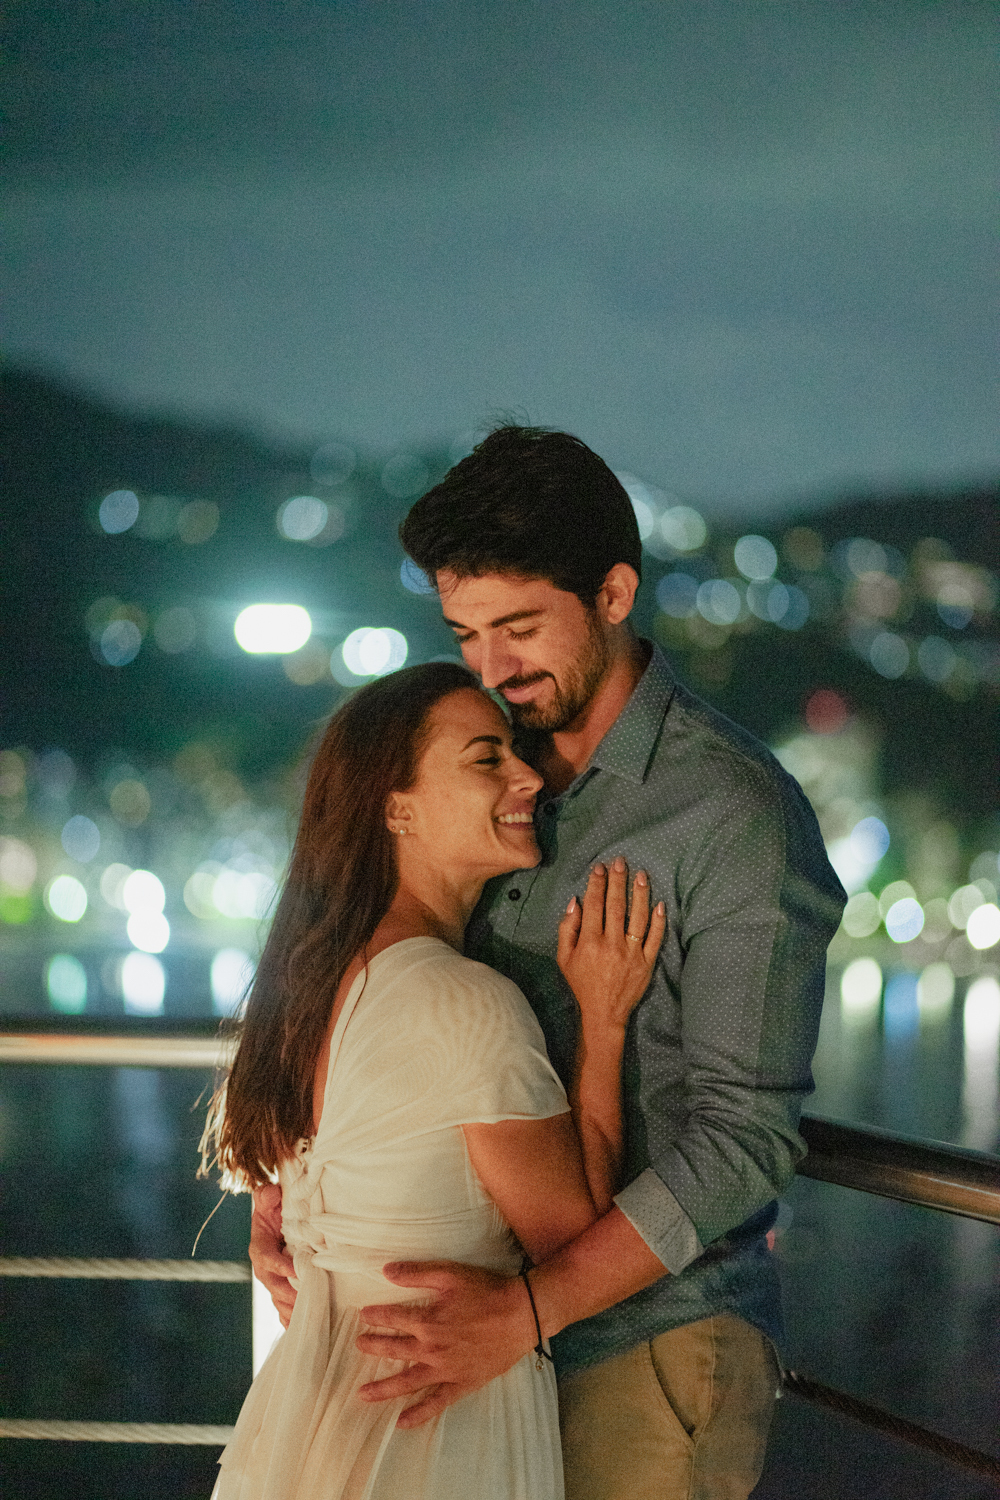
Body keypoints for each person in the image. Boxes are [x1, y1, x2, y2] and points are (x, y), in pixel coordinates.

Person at [252, 427, 848, 1499]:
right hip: (473, 1353)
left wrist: (528, 1310)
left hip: (648, 1349)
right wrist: (292, 1185)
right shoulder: (485, 771)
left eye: (519, 628)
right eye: (467, 633)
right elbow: (372, 973)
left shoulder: (732, 815)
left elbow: (745, 1137)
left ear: (614, 593)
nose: (492, 667)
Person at [203, 659, 666, 1499]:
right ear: (396, 808)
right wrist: (602, 1025)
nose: (529, 775)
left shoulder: (315, 982)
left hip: (312, 1412)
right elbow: (572, 1232)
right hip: (428, 1425)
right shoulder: (464, 1005)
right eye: (486, 757)